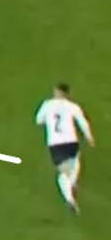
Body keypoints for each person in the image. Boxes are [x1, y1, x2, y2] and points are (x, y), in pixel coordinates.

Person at [35, 83, 94, 213]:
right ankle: (72, 183)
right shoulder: (72, 106)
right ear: (67, 94)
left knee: (63, 171)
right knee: (75, 161)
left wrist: (48, 119)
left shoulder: (47, 105)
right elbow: (83, 122)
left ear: (56, 92)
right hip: (71, 141)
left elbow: (38, 120)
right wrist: (89, 137)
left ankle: (69, 198)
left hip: (55, 143)